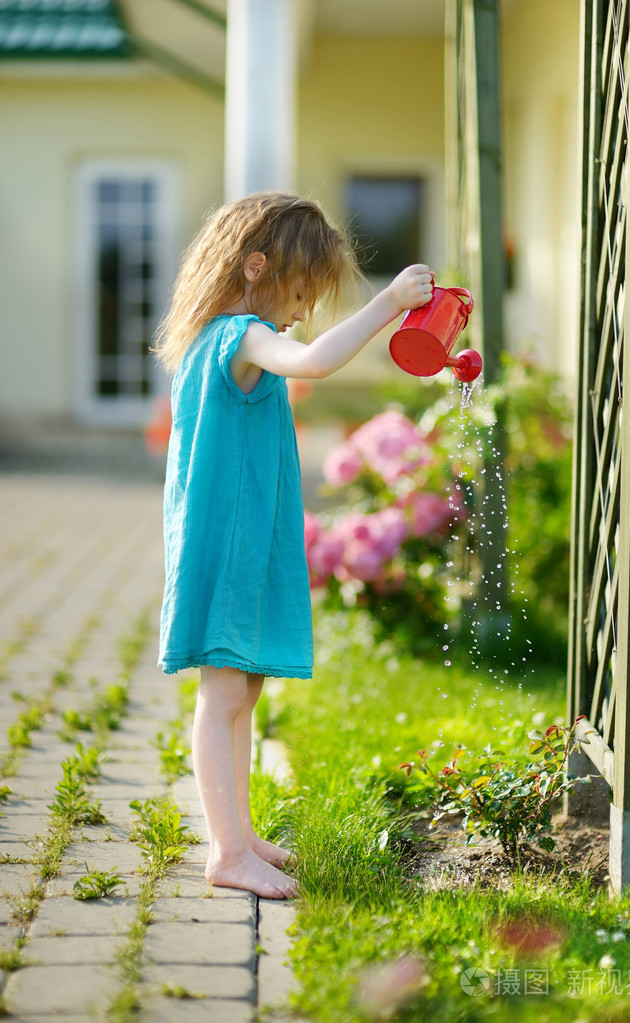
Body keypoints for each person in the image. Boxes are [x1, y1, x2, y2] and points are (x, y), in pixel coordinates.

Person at [154, 192, 432, 899]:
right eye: (302, 292)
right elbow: (310, 361)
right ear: (254, 269)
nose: (304, 311)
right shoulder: (239, 335)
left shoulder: (222, 339)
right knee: (223, 695)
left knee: (242, 687)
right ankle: (224, 850)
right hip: (225, 541)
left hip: (239, 537)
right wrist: (388, 305)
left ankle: (238, 832)